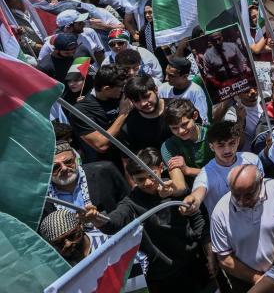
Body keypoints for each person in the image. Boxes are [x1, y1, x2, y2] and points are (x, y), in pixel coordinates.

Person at [89, 148, 209, 292]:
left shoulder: (176, 188)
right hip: (164, 275)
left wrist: (208, 253)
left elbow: (198, 219)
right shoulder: (131, 202)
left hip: (195, 262)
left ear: (160, 168)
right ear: (132, 179)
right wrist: (96, 218)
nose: (147, 183)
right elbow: (113, 223)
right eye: (140, 179)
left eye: (152, 175)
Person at [210, 164, 274, 292]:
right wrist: (259, 280)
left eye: (248, 195)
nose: (242, 201)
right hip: (246, 282)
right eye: (236, 195)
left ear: (261, 182)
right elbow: (224, 258)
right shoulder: (220, 213)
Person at [180, 120, 264, 215]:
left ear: (238, 141)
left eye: (232, 143)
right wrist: (193, 200)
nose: (227, 150)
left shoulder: (253, 160)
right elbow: (198, 192)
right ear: (211, 147)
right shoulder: (206, 174)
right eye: (221, 145)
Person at [45, 140, 128, 216]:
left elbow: (129, 203)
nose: (64, 168)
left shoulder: (104, 171)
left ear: (76, 159)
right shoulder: (44, 198)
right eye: (56, 167)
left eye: (68, 162)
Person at [67, 64, 130, 164]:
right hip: (108, 165)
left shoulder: (122, 96)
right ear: (106, 89)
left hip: (131, 157)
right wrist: (123, 114)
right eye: (121, 87)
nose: (123, 89)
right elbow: (101, 145)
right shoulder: (81, 111)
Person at [161, 98, 212, 185]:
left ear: (195, 116)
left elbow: (224, 170)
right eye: (174, 128)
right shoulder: (168, 146)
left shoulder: (213, 134)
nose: (181, 131)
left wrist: (188, 170)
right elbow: (180, 185)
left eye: (184, 124)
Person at [121, 73, 171, 153]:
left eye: (146, 96)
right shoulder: (129, 126)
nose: (143, 103)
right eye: (137, 100)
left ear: (156, 90)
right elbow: (128, 160)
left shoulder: (176, 107)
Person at [157, 56, 210, 123]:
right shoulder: (163, 88)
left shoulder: (195, 92)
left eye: (171, 76)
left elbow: (203, 119)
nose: (166, 78)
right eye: (166, 74)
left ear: (185, 76)